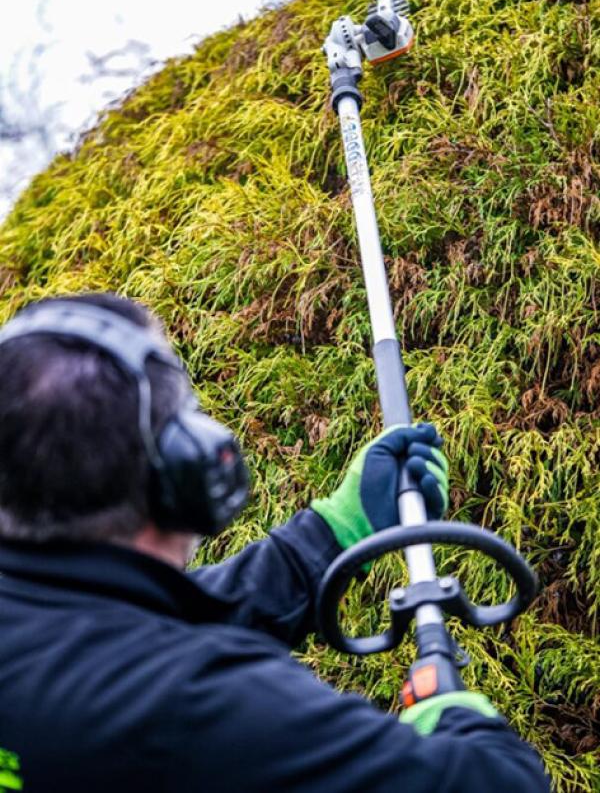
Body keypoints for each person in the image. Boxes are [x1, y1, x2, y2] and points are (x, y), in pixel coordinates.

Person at [0, 292, 549, 793]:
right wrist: (455, 719)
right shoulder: (209, 709)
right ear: (187, 470)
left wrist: (334, 531)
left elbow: (129, 632)